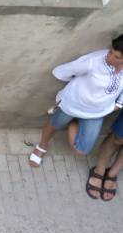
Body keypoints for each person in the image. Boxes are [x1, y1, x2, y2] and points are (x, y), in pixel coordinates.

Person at [29, 35, 123, 170]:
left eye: (117, 57)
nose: (110, 58)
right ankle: (42, 146)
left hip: (96, 112)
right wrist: (76, 88)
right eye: (110, 52)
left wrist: (118, 105)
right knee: (55, 124)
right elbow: (62, 72)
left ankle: (73, 123)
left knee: (81, 151)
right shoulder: (94, 61)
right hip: (72, 105)